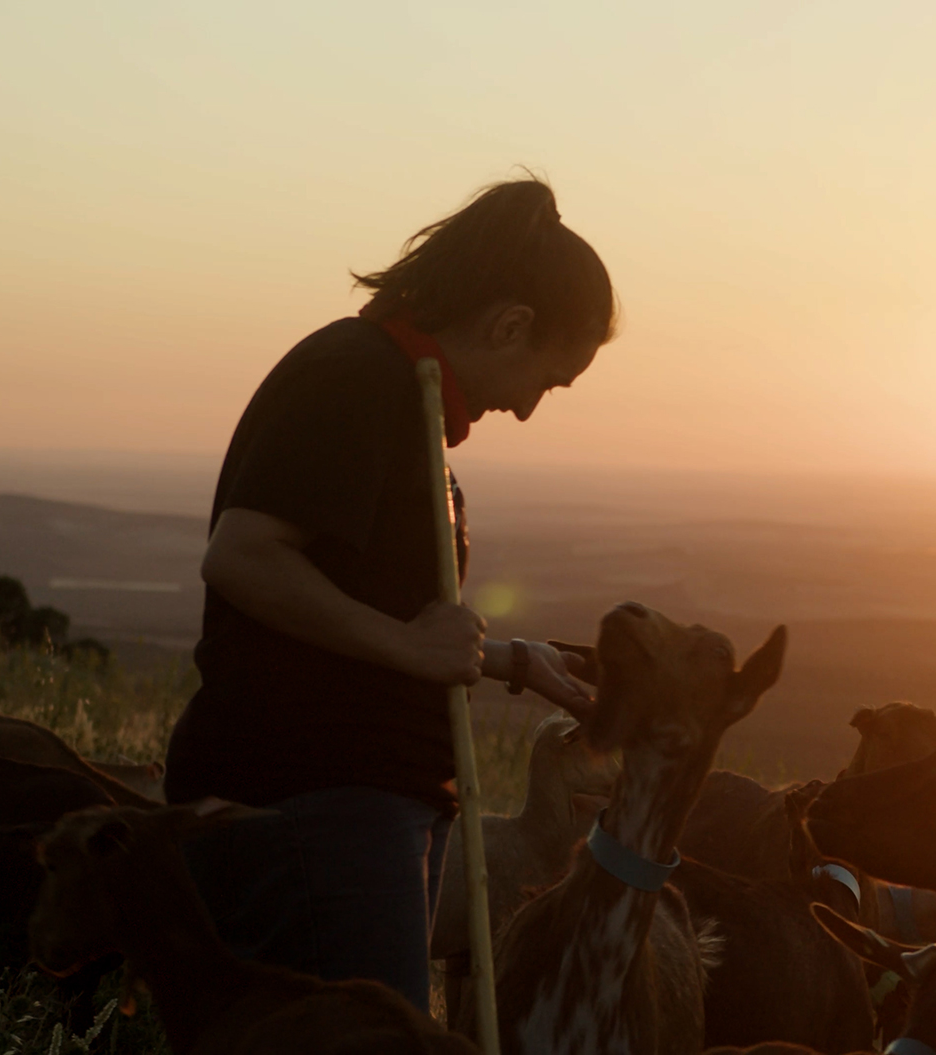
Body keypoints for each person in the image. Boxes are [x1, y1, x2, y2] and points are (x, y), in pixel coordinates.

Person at [163, 175, 614, 1012]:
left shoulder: (400, 391)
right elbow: (244, 557)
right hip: (315, 805)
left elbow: (361, 604)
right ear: (510, 323)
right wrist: (411, 648)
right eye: (549, 379)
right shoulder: (353, 376)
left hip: (352, 810)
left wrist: (510, 658)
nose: (525, 408)